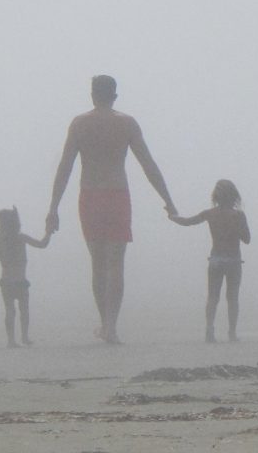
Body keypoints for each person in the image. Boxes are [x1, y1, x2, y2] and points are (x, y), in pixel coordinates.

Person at [46, 75, 177, 344]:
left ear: (93, 95)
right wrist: (168, 200)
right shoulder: (126, 124)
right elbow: (148, 164)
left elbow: (65, 167)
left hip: (90, 195)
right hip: (117, 194)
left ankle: (105, 324)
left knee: (98, 264)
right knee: (116, 264)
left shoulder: (80, 124)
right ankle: (111, 326)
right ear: (114, 96)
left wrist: (53, 207)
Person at [169, 179, 251, 343]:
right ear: (234, 196)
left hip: (215, 260)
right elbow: (247, 239)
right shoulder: (238, 215)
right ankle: (232, 333)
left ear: (216, 196)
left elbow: (187, 222)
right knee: (232, 298)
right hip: (233, 260)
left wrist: (172, 216)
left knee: (213, 297)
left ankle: (209, 331)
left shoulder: (209, 214)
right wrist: (236, 227)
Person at [0, 206, 51, 348]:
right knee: (20, 310)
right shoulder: (15, 239)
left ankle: (17, 338)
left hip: (12, 282)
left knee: (13, 310)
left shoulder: (1, 242)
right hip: (15, 282)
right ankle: (20, 338)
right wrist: (48, 233)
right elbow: (42, 244)